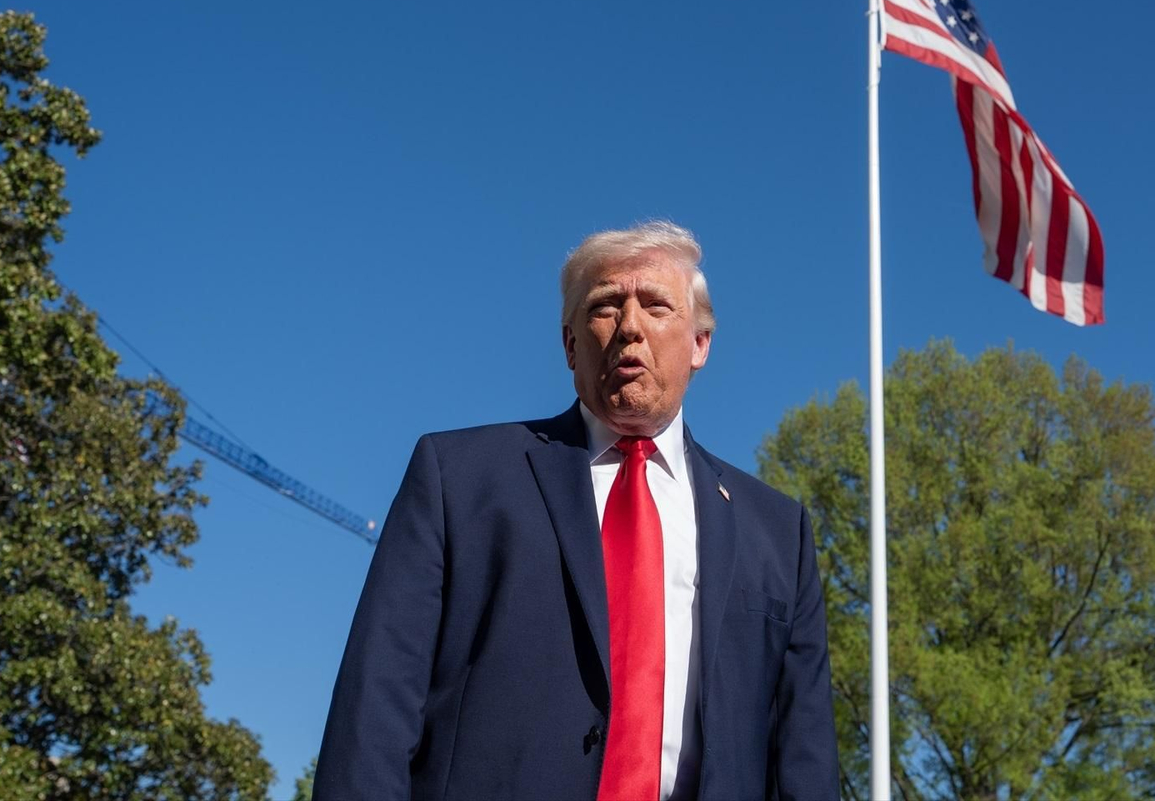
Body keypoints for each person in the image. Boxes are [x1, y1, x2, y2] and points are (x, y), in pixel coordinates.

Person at [313, 222, 840, 800]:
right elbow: (374, 711)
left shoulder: (778, 532)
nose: (630, 326)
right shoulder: (457, 479)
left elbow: (805, 759)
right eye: (605, 307)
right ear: (569, 344)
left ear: (699, 344)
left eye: (656, 306)